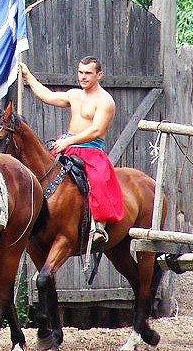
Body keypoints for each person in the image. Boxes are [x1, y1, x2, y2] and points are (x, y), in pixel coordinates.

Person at [19, 57, 124, 251]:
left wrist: (69, 140)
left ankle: (99, 226)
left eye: (88, 73)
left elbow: (97, 131)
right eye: (80, 72)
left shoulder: (105, 101)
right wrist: (28, 76)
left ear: (99, 75)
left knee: (98, 180)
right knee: (43, 172)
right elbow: (47, 96)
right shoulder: (74, 95)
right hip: (67, 147)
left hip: (91, 149)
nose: (83, 77)